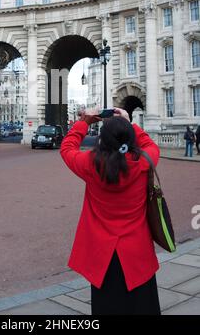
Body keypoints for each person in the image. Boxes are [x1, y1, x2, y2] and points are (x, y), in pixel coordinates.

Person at [60, 107, 161, 315]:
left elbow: (67, 148)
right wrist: (129, 122)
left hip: (102, 257)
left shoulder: (90, 164)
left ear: (102, 140)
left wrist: (84, 122)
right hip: (137, 253)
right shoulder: (144, 162)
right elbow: (150, 145)